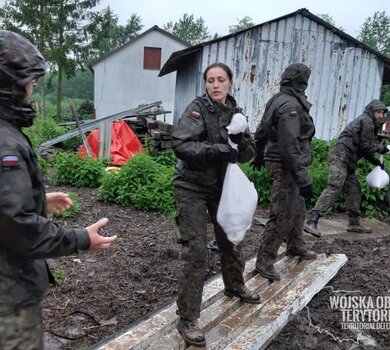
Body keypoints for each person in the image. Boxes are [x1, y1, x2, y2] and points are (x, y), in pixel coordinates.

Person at [0, 30, 117, 350]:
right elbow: (15, 226)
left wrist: (39, 199)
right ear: (9, 84)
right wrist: (81, 238)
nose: (32, 88)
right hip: (9, 300)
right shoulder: (5, 141)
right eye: (29, 80)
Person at [172, 62, 261, 347]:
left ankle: (235, 286)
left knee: (231, 238)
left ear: (230, 83)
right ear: (206, 84)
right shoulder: (197, 109)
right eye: (210, 80)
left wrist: (240, 142)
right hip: (191, 186)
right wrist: (220, 149)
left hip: (222, 187)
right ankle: (187, 318)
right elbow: (181, 144)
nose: (215, 85)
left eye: (221, 79)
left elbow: (247, 153)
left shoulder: (236, 113)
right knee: (196, 250)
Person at [252, 63, 317, 282]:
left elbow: (261, 129)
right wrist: (303, 178)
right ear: (301, 82)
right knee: (282, 213)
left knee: (298, 208)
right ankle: (265, 260)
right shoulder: (290, 105)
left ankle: (295, 245)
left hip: (282, 162)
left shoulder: (278, 99)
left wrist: (259, 153)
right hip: (286, 165)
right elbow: (290, 146)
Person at [304, 99, 390, 238]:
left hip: (347, 159)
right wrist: (382, 149)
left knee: (354, 189)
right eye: (378, 112)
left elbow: (363, 149)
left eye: (382, 112)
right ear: (372, 111)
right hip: (341, 157)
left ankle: (354, 223)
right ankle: (312, 221)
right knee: (334, 187)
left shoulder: (367, 122)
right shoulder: (367, 121)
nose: (381, 115)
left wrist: (376, 162)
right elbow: (366, 146)